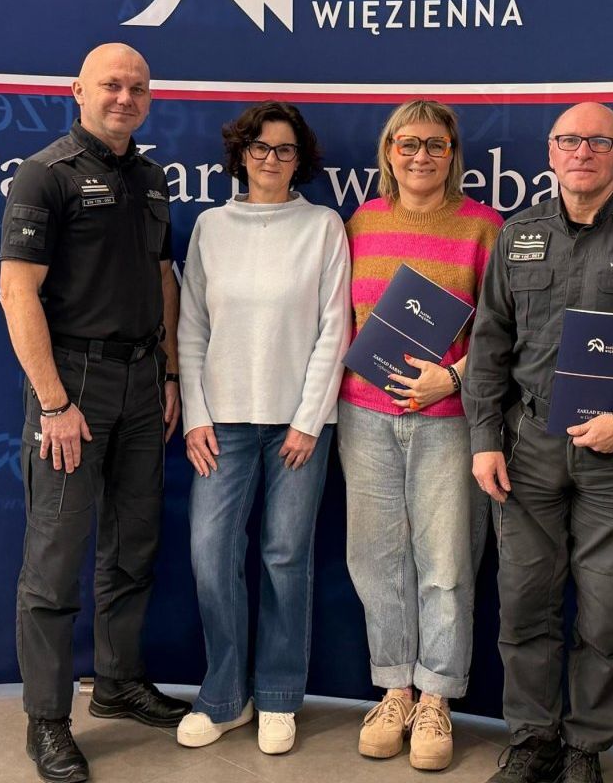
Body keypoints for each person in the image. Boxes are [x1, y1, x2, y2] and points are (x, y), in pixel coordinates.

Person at [465, 102, 613, 783]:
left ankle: (584, 748)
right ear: (550, 152)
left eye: (599, 142)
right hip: (527, 446)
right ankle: (533, 740)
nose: (583, 152)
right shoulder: (518, 235)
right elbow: (489, 341)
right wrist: (484, 438)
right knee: (524, 604)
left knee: (607, 613)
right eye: (569, 140)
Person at [0, 43, 188, 783]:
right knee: (54, 562)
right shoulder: (45, 174)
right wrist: (54, 403)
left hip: (143, 380)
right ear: (77, 90)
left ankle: (118, 682)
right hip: (71, 384)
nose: (125, 97)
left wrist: (168, 371)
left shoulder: (152, 177)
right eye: (111, 85)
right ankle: (47, 720)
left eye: (138, 87)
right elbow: (17, 292)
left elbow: (163, 277)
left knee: (133, 546)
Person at [174, 101, 350, 755]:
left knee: (284, 556)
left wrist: (308, 420)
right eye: (260, 147)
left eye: (284, 149)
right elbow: (191, 327)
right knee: (211, 553)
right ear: (240, 155)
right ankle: (225, 696)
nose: (271, 159)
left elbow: (335, 328)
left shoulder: (323, 227)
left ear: (299, 159)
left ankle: (277, 695)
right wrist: (195, 415)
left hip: (299, 426)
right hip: (222, 422)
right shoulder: (211, 227)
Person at [337, 99, 502, 772]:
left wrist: (453, 377)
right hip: (364, 416)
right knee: (375, 558)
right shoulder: (361, 222)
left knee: (447, 563)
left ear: (453, 153)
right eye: (408, 143)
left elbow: (504, 332)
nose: (421, 156)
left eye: (436, 144)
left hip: (449, 420)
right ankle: (394, 691)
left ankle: (436, 697)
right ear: (389, 151)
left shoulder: (485, 227)